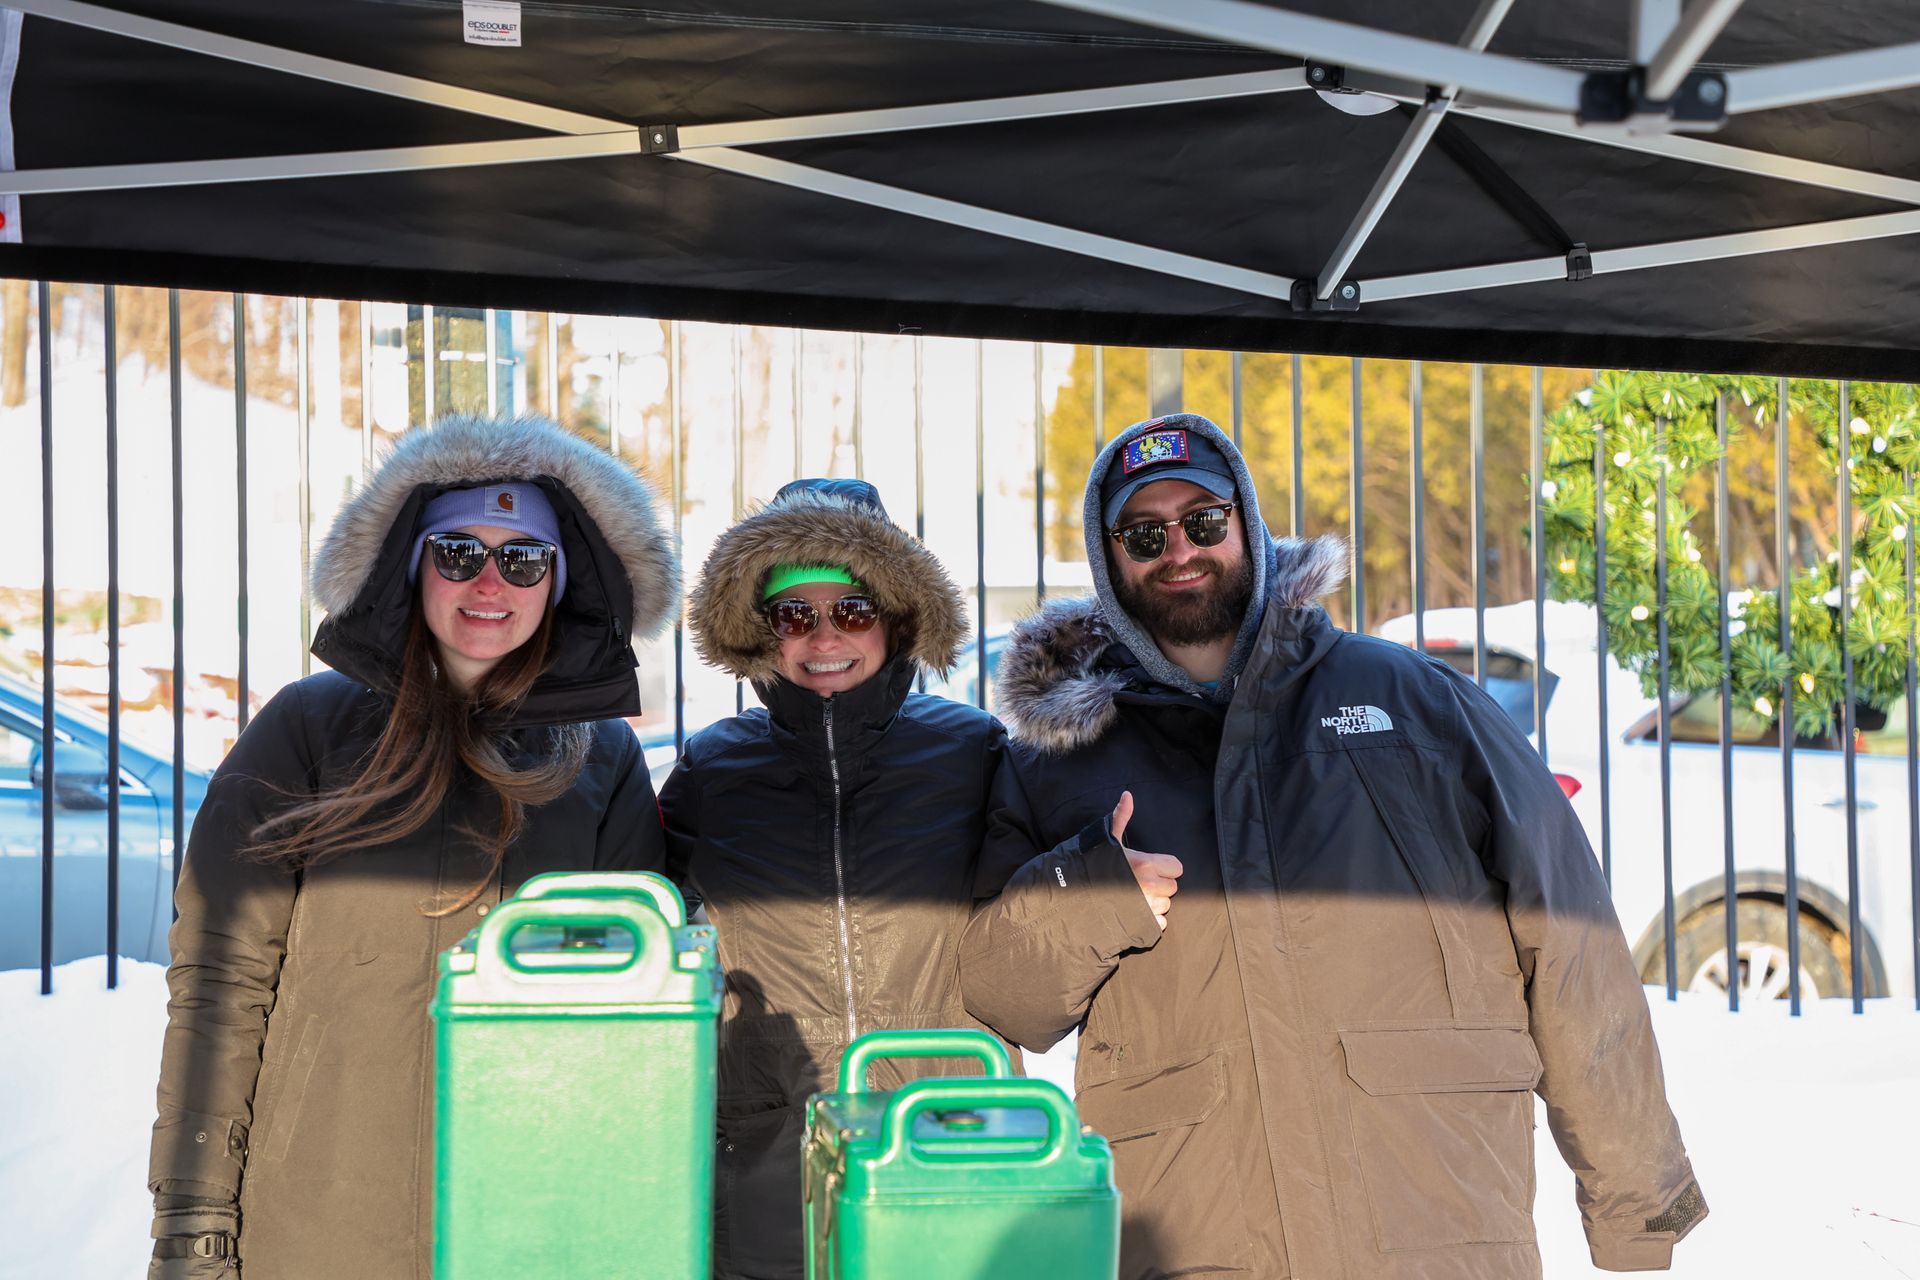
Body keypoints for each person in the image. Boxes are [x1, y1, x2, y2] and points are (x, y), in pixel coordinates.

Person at [963, 413, 1706, 1280]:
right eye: (1143, 533)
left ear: (1248, 524)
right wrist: (1088, 894)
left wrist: (1637, 1208)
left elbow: (1572, 939)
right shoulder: (1055, 763)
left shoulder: (1416, 700)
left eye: (1204, 521)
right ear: (1109, 560)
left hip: (1434, 1221)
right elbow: (998, 994)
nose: (1179, 549)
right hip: (1202, 1238)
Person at [145, 415, 679, 1278]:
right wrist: (194, 1223)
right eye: (458, 553)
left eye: (524, 560)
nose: (489, 583)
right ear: (412, 564)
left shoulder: (603, 758)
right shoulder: (305, 727)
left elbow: (632, 1017)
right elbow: (219, 983)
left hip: (531, 1226)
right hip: (317, 1223)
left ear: (558, 582)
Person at [660, 477, 1018, 1280]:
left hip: (945, 1141)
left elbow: (1026, 932)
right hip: (764, 1158)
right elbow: (663, 931)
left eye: (852, 611)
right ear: (761, 631)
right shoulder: (716, 766)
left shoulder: (974, 752)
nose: (825, 636)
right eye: (796, 614)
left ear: (895, 620)